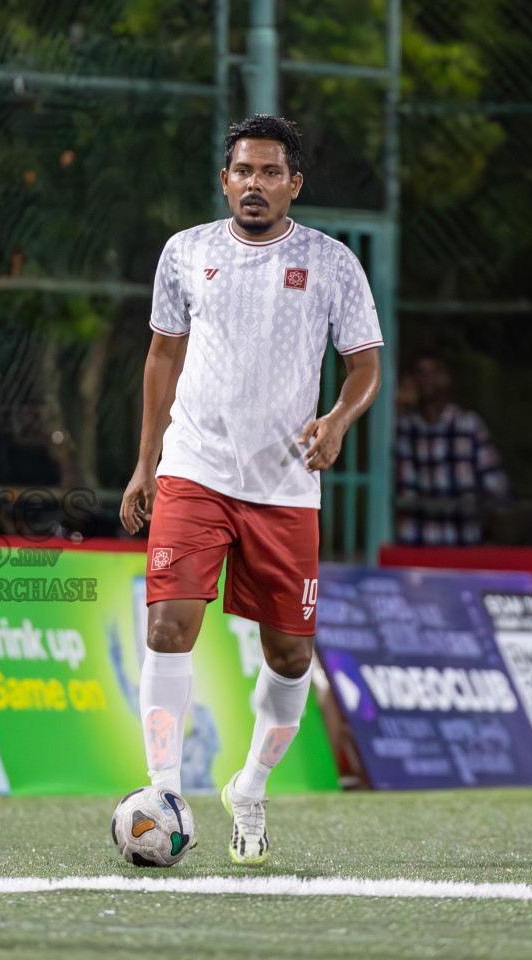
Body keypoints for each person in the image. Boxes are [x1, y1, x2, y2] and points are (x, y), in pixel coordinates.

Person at [119, 115, 383, 865]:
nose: (255, 184)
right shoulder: (187, 252)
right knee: (168, 626)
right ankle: (165, 788)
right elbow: (162, 357)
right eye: (243, 171)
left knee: (292, 656)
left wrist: (337, 418)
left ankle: (251, 787)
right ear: (226, 179)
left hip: (285, 487)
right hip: (194, 470)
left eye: (271, 172)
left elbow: (364, 364)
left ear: (294, 184)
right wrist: (146, 462)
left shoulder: (331, 263)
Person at [393, 351, 509, 545]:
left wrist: (493, 533)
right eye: (420, 373)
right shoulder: (404, 426)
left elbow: (496, 486)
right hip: (415, 545)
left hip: (462, 543)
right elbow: (395, 487)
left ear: (447, 378)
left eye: (435, 372)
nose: (427, 379)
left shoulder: (468, 424)